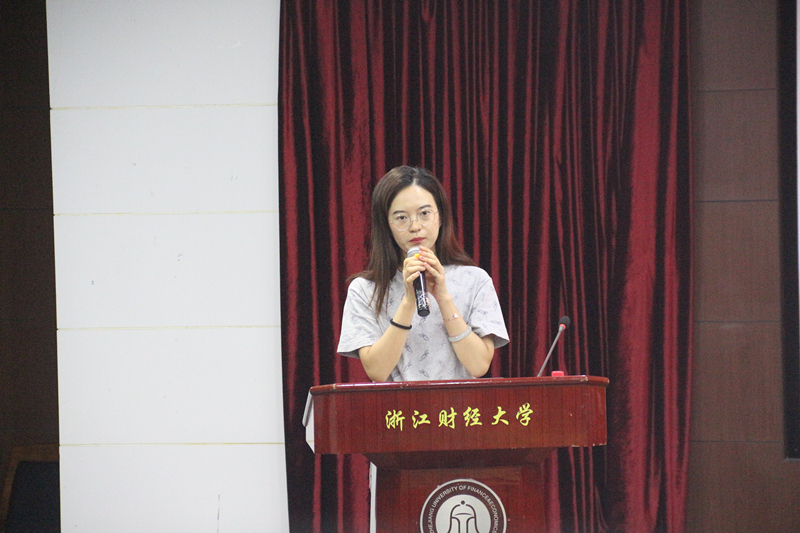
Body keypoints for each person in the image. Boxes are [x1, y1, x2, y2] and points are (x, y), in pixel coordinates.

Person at [338, 166, 509, 382]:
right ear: (386, 225)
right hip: (396, 404)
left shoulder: (475, 281)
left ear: (441, 217)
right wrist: (409, 301)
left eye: (425, 214)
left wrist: (443, 297)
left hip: (458, 404)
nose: (415, 226)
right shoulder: (365, 289)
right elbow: (377, 371)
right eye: (401, 218)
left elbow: (479, 365)